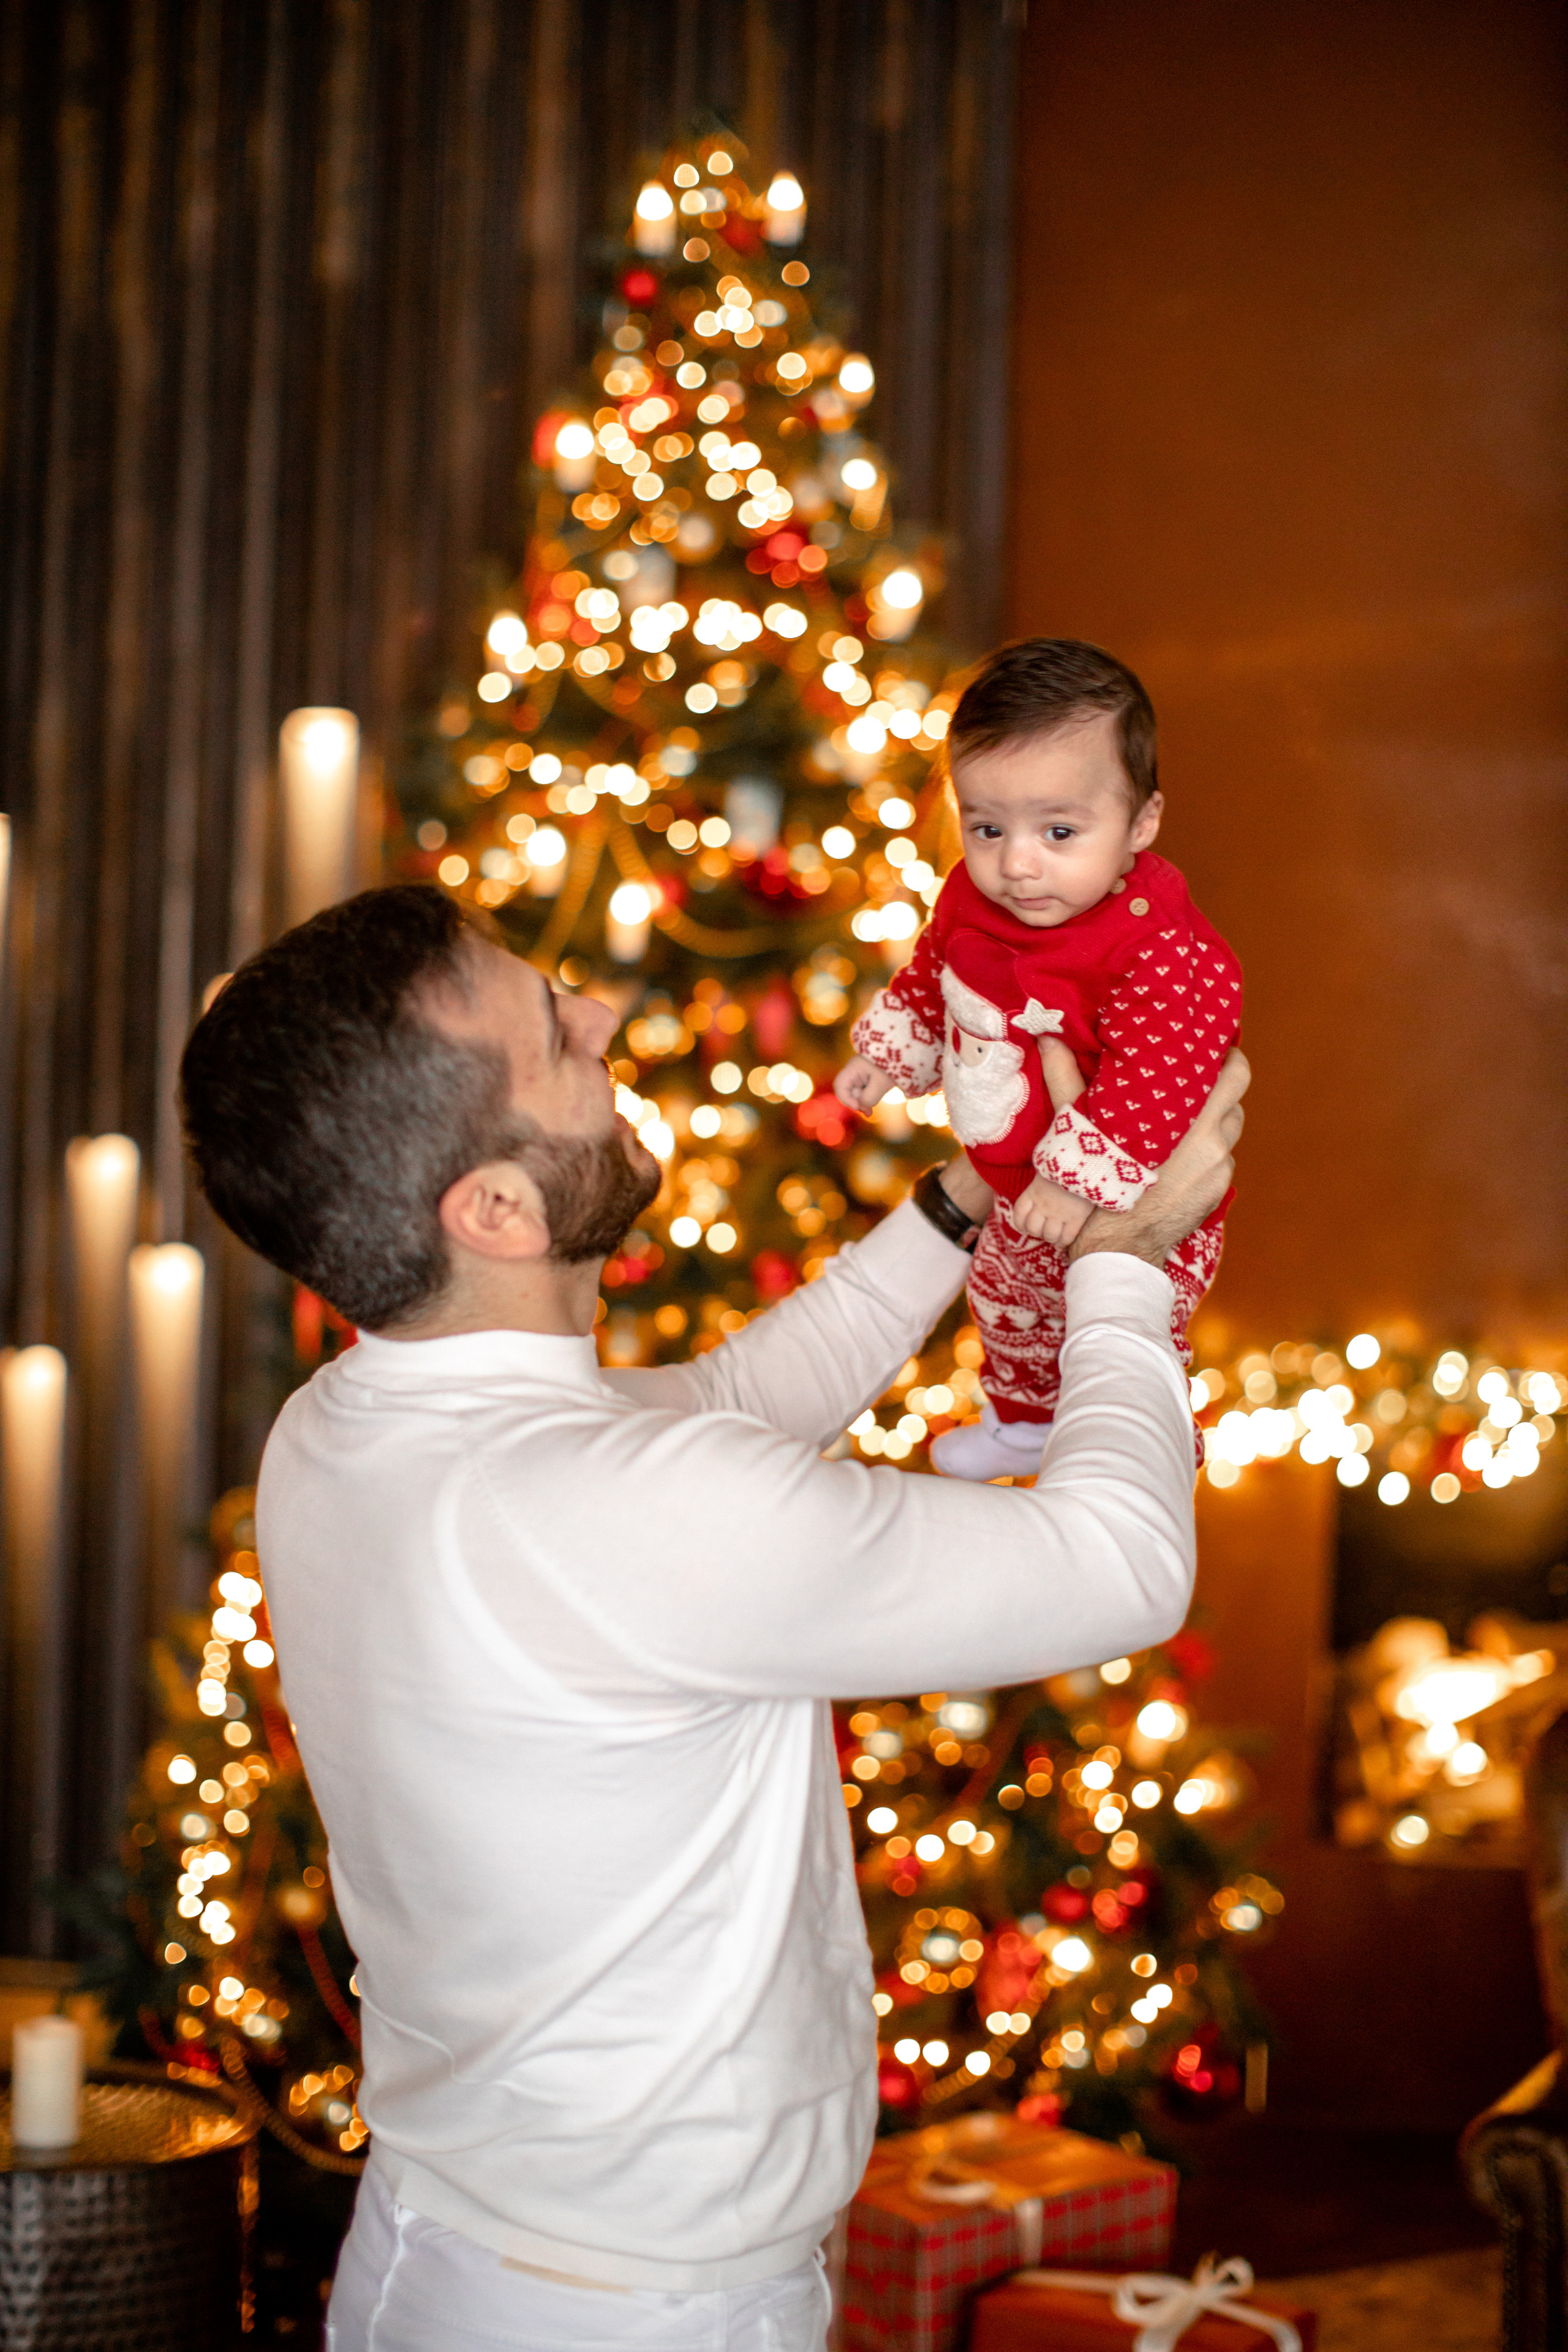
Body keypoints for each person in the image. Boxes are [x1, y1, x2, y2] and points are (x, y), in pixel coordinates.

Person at [178, 883, 1246, 2352]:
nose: (603, 1016)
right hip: (633, 2318)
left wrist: (971, 1199)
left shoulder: (346, 1429)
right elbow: (1121, 1562)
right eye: (556, 1035)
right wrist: (1127, 1250)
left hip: (444, 2259)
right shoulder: (621, 1508)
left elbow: (727, 1407)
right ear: (492, 1210)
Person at [837, 639, 1242, 1482]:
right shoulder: (970, 899)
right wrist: (890, 1050)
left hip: (1141, 1189)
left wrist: (1077, 1178)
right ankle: (1022, 1427)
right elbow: (932, 973)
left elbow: (1159, 1076)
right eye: (988, 828)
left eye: (1060, 831)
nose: (1017, 863)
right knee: (1008, 1306)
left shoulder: (1157, 944)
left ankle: (1157, 1444)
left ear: (1141, 823)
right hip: (1017, 1181)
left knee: (1121, 1321)